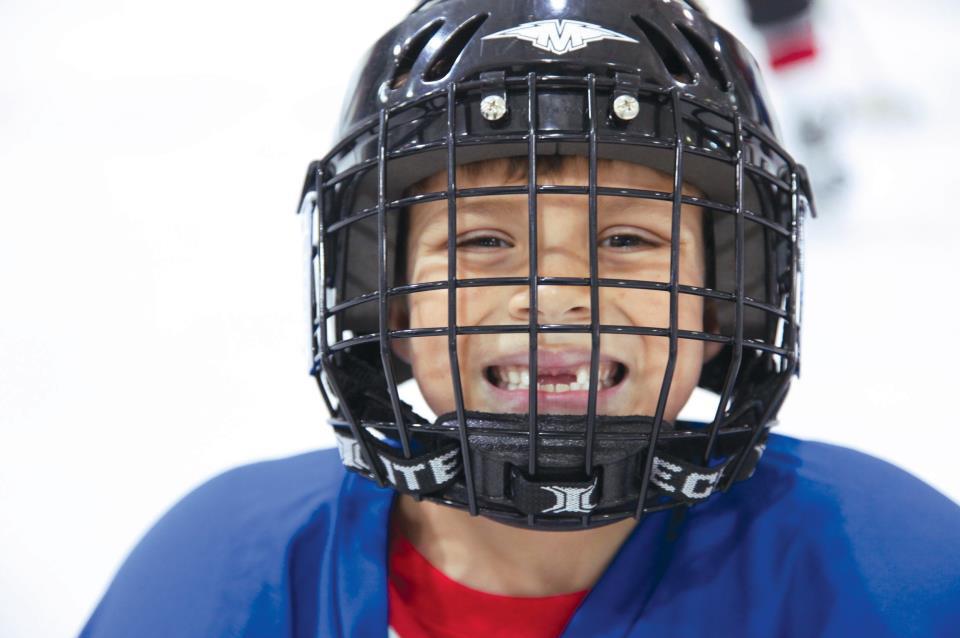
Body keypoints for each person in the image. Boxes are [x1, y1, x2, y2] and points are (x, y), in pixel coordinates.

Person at [80, 1, 960, 637]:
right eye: (482, 243)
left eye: (625, 238)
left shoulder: (900, 573)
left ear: (731, 294)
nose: (552, 296)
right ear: (381, 293)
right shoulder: (222, 576)